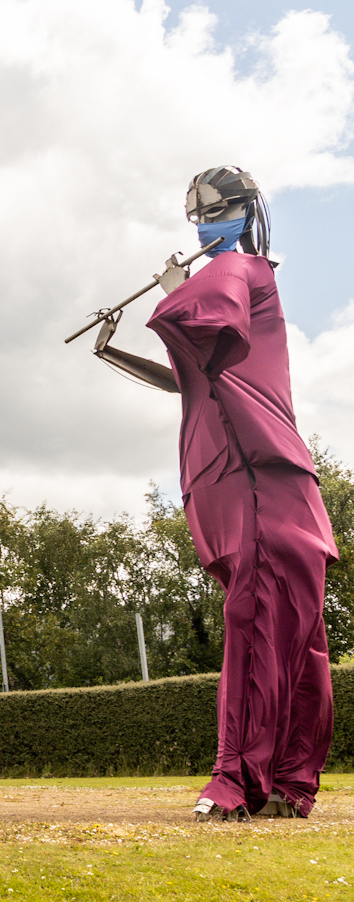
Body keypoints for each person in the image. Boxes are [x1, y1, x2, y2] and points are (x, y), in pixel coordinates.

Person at [142, 167, 336, 821]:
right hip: (278, 482)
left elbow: (204, 316)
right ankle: (290, 782)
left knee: (257, 624)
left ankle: (237, 782)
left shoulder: (239, 271)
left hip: (250, 472)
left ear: (244, 210)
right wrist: (122, 346)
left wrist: (175, 292)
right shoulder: (246, 285)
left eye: (212, 211)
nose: (200, 224)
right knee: (297, 638)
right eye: (194, 214)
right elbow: (195, 368)